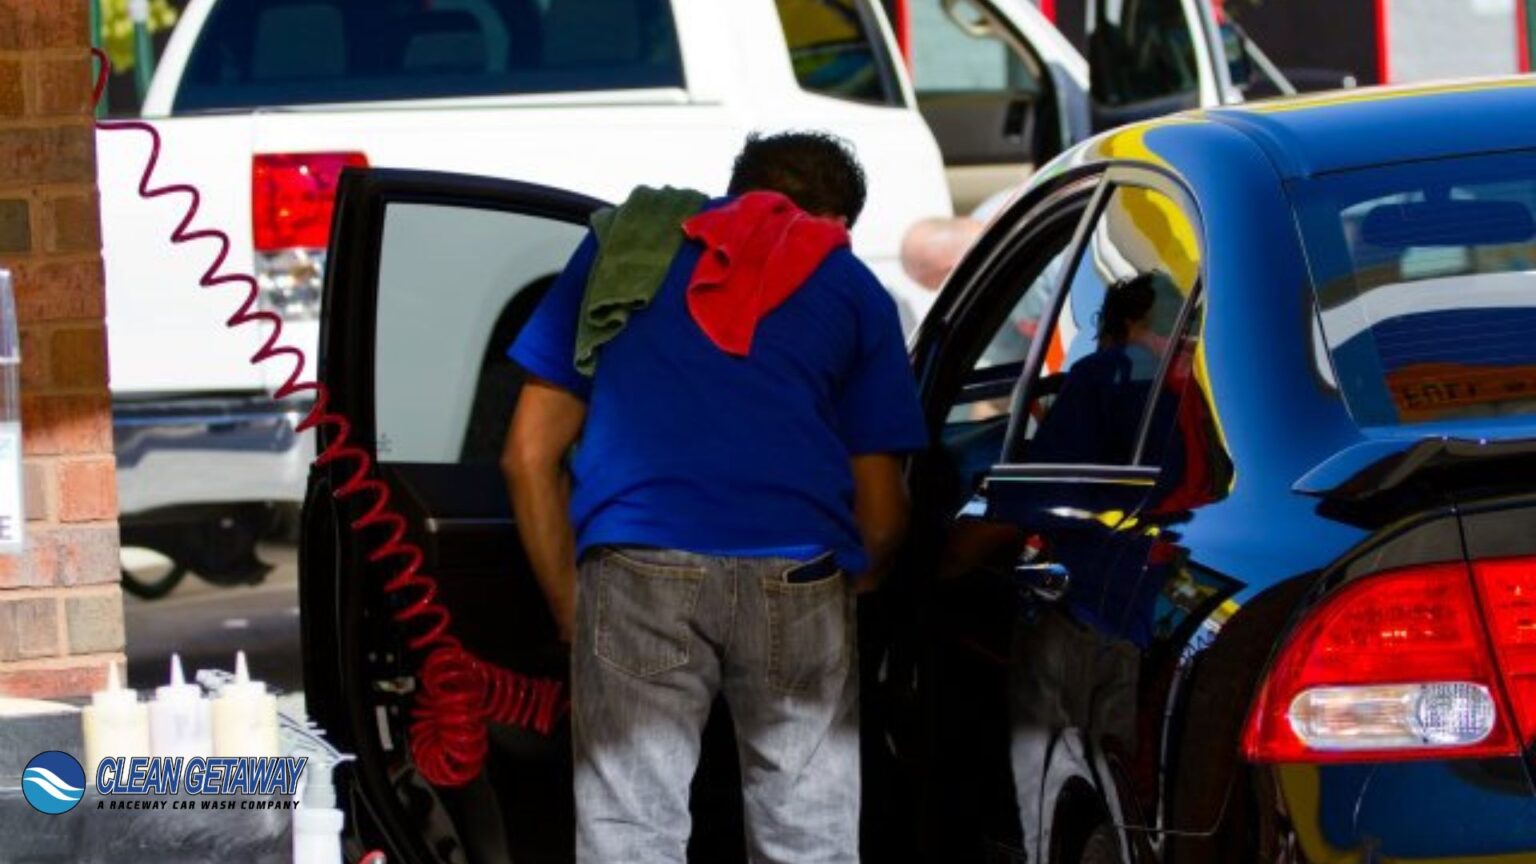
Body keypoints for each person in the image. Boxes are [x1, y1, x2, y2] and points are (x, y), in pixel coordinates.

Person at [502, 131, 928, 864]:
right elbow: (884, 517)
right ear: (838, 224)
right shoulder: (854, 289)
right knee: (808, 836)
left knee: (630, 833)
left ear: (736, 190)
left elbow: (526, 455)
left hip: (637, 564)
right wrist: (847, 590)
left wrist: (570, 606)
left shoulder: (623, 256)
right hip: (799, 570)